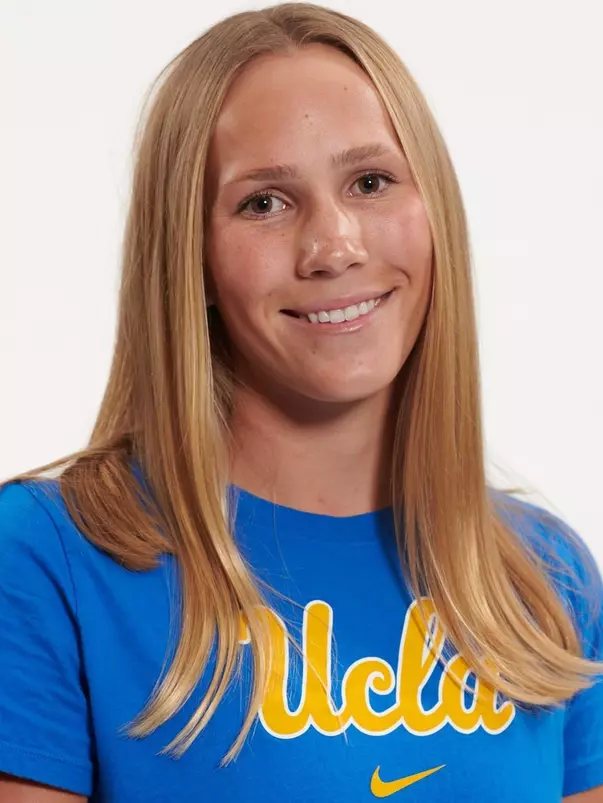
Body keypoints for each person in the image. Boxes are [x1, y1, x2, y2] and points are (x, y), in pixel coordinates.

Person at [0, 3, 602, 801]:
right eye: (264, 202)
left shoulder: (543, 574)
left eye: (370, 182)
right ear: (189, 255)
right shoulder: (50, 557)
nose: (334, 246)